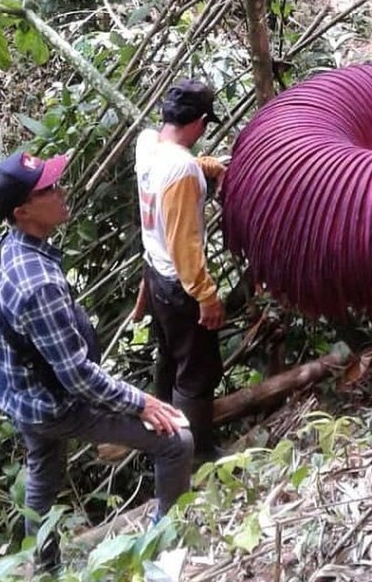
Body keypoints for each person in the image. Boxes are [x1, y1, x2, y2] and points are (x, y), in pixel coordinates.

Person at [0, 150, 193, 572]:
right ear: (23, 212)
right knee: (176, 442)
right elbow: (77, 377)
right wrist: (142, 403)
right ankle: (165, 552)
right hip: (54, 403)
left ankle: (44, 570)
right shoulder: (37, 283)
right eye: (48, 190)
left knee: (43, 475)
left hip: (22, 396)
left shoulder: (5, 247)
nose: (61, 192)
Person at [131, 79, 227, 463]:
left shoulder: (147, 144)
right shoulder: (182, 170)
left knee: (170, 359)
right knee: (198, 372)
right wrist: (206, 294)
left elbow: (167, 175)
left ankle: (164, 442)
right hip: (178, 283)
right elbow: (183, 242)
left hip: (155, 275)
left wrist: (203, 166)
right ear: (200, 122)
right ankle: (195, 454)